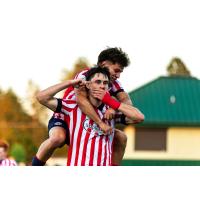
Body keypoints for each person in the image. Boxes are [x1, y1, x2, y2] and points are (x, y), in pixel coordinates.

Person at [32, 47, 135, 166]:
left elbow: (126, 100)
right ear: (104, 64)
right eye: (116, 70)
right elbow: (81, 101)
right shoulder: (85, 75)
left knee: (121, 137)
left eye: (120, 72)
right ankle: (35, 165)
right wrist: (100, 123)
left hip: (89, 121)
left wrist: (113, 107)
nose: (118, 76)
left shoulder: (114, 83)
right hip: (67, 115)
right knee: (58, 138)